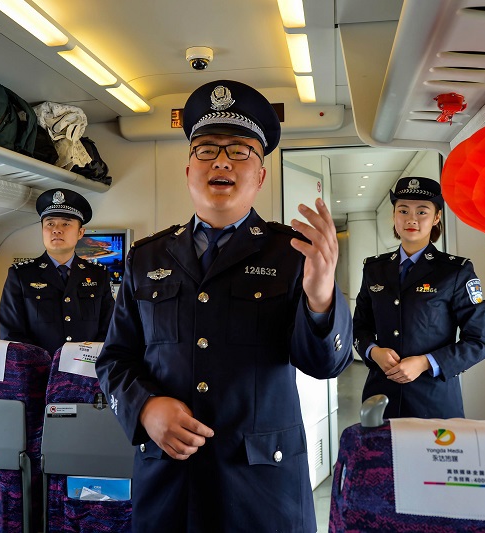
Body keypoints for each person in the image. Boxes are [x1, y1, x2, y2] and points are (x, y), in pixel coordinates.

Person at [95, 80, 353, 532]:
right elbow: (114, 360)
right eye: (207, 149)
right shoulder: (146, 258)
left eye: (239, 151)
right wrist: (145, 409)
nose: (221, 161)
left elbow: (325, 364)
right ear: (188, 170)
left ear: (261, 176)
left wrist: (321, 297)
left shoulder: (292, 254)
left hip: (261, 489)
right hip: (169, 482)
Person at [352, 177, 485, 419]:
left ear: (436, 217)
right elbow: (359, 327)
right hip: (380, 398)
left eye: (422, 211)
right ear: (394, 215)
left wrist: (426, 362)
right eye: (403, 210)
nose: (411, 219)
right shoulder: (374, 269)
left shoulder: (455, 271)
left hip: (433, 401)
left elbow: (479, 342)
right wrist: (373, 351)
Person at [0, 188, 114, 356]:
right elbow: (12, 334)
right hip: (38, 369)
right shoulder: (21, 275)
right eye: (50, 224)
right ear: (42, 230)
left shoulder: (99, 275)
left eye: (66, 224)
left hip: (87, 368)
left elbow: (109, 330)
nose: (56, 229)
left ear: (80, 233)